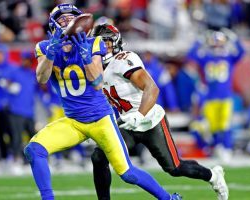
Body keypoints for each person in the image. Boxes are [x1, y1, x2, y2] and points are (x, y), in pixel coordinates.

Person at [24, 3, 180, 200]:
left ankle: (169, 198)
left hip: (100, 120)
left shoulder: (93, 43)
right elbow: (42, 78)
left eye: (71, 19)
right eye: (62, 19)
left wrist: (85, 55)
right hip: (74, 121)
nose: (67, 22)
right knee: (34, 150)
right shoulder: (45, 47)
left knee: (127, 173)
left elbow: (97, 82)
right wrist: (52, 53)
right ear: (53, 25)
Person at [90, 23, 229, 200]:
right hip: (126, 124)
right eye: (100, 43)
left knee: (175, 168)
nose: (104, 47)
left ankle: (213, 175)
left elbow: (152, 88)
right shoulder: (94, 68)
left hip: (149, 119)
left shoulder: (123, 59)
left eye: (107, 42)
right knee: (99, 157)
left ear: (116, 42)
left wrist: (139, 115)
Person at [187, 28, 245, 162]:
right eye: (215, 43)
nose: (217, 46)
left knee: (224, 125)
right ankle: (216, 148)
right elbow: (191, 55)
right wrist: (199, 40)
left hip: (225, 97)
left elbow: (242, 53)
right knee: (213, 127)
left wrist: (235, 38)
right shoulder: (207, 58)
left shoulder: (228, 57)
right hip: (210, 98)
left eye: (220, 43)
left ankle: (226, 148)